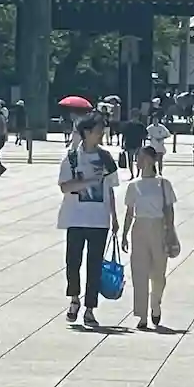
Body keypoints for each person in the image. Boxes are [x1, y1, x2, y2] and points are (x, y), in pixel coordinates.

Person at [58, 113, 120, 329]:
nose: (101, 134)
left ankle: (90, 308)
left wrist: (114, 217)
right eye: (98, 130)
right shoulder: (72, 157)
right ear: (86, 132)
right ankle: (74, 299)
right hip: (76, 217)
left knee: (94, 266)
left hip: (99, 219)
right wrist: (89, 181)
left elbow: (110, 189)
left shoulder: (106, 158)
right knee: (73, 261)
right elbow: (65, 187)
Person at [122, 146, 178, 330]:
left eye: (142, 157)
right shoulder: (134, 185)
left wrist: (170, 231)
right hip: (139, 227)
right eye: (138, 157)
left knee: (158, 272)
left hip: (158, 226)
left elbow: (169, 209)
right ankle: (142, 315)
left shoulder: (163, 184)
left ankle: (155, 303)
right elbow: (129, 212)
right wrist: (124, 234)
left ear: (151, 160)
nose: (139, 161)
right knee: (139, 272)